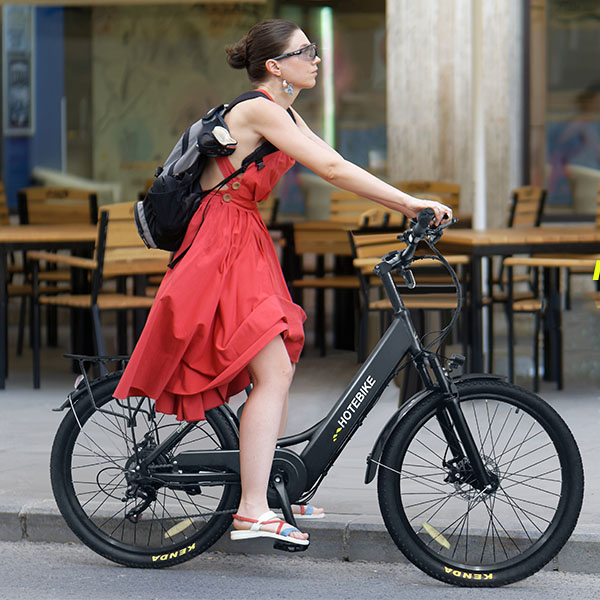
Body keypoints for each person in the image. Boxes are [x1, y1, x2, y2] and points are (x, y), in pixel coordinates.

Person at [114, 19, 452, 546]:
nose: (316, 59)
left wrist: (405, 202)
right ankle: (252, 509)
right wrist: (411, 202)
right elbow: (334, 170)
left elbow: (336, 164)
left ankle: (273, 492)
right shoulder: (254, 109)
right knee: (272, 370)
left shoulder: (283, 112)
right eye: (306, 50)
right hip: (221, 240)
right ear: (275, 66)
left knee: (279, 366)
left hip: (242, 236)